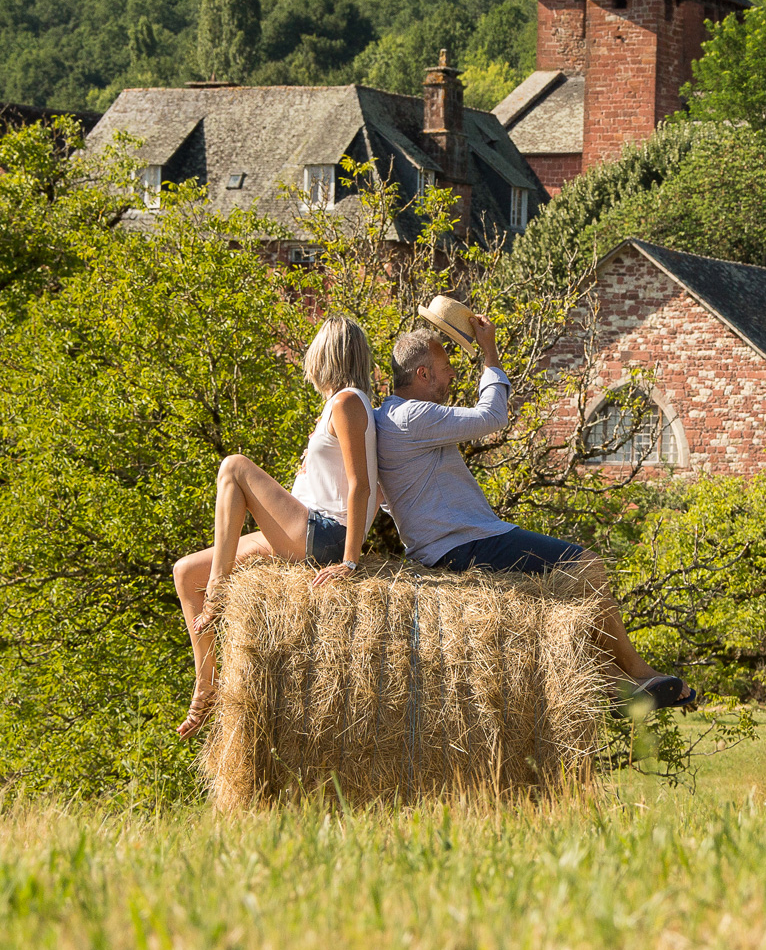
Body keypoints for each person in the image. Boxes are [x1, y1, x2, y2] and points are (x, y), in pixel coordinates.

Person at [375, 313, 696, 711]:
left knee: (559, 604)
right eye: (445, 367)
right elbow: (493, 417)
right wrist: (490, 353)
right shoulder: (413, 416)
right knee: (586, 566)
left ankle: (617, 688)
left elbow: (384, 496)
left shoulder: (385, 418)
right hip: (465, 545)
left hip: (445, 548)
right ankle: (640, 671)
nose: (453, 374)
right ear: (423, 373)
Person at [173, 313, 380, 739]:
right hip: (307, 530)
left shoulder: (347, 403)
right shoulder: (344, 405)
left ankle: (218, 588)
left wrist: (350, 562)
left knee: (234, 467)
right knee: (185, 572)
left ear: (326, 356)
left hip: (325, 535)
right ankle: (206, 684)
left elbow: (362, 486)